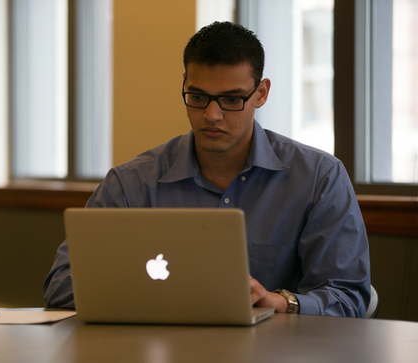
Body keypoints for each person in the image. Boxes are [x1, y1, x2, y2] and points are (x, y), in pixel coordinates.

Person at [43, 21, 371, 317]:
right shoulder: (132, 182)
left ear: (261, 93)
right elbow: (62, 283)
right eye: (198, 96)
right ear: (184, 84)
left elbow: (348, 295)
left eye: (231, 100)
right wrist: (170, 297)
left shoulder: (318, 177)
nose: (212, 115)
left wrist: (279, 302)